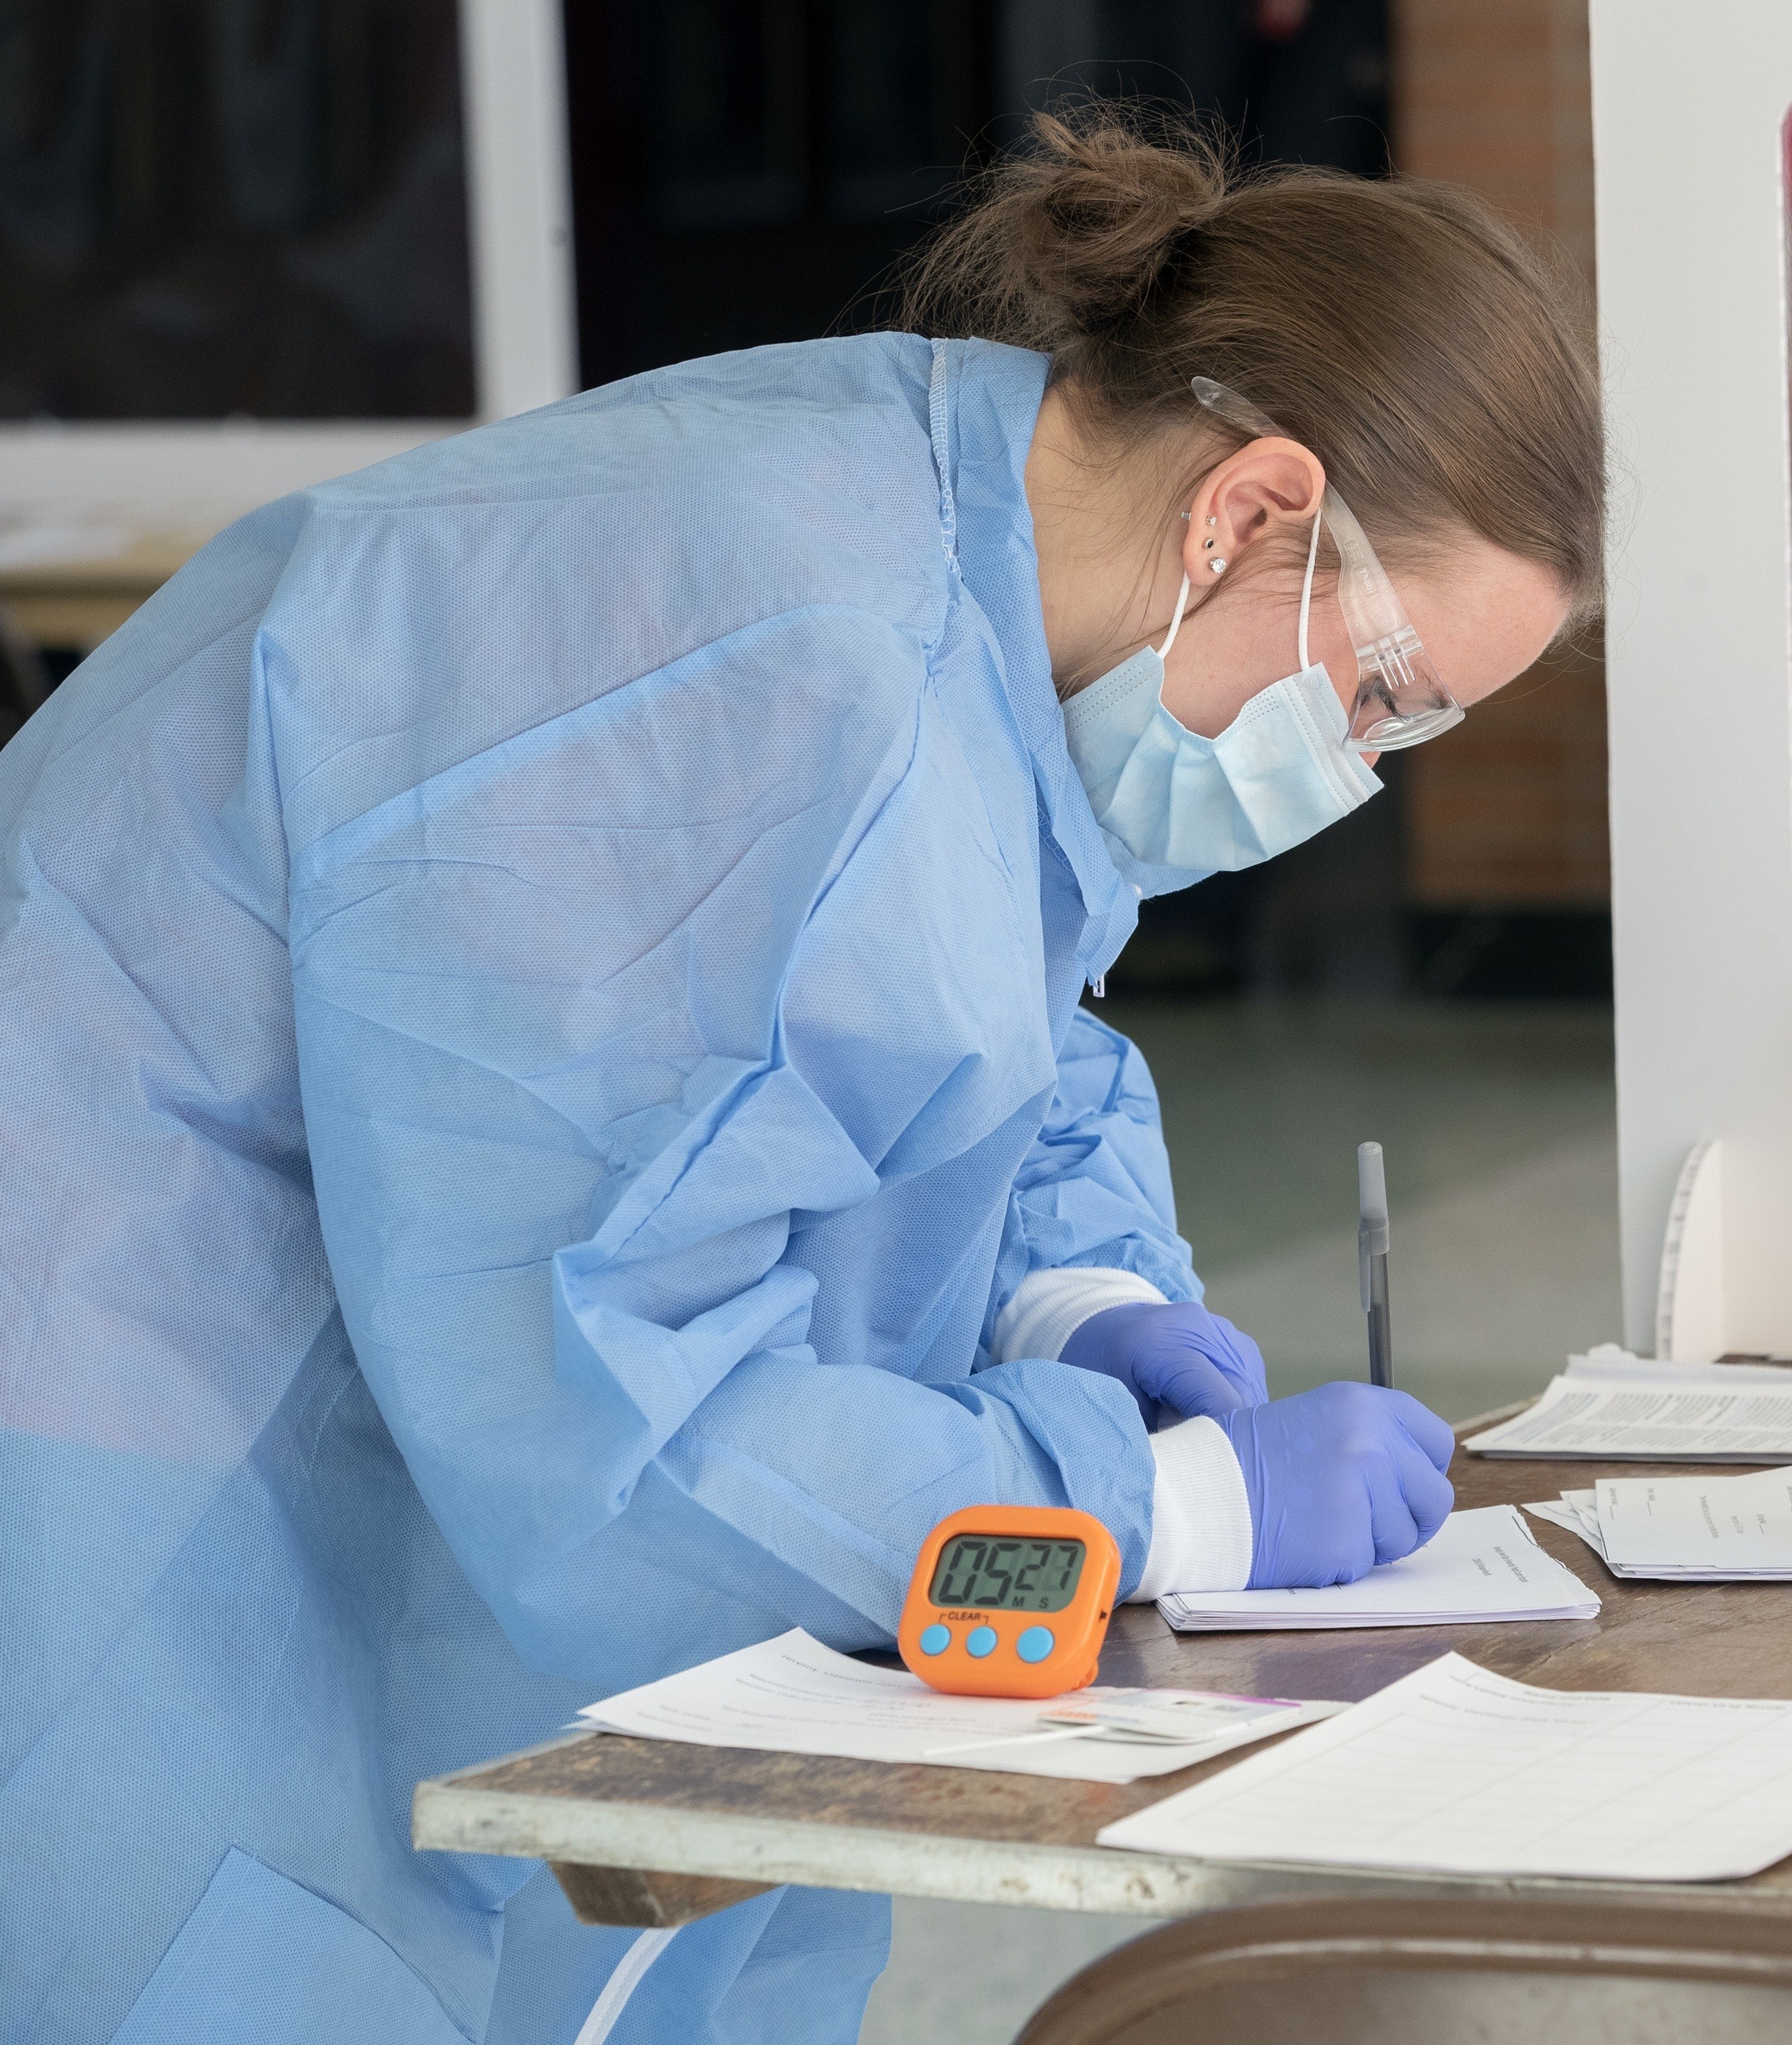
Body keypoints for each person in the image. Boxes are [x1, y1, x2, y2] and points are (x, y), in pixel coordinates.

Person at [0, 106, 1601, 2045]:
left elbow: (957, 998)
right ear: (1250, 509)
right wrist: (1151, 1515)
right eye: (1381, 695)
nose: (1352, 768)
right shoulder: (783, 651)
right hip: (137, 1428)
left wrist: (1071, 1286)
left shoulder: (970, 514)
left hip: (368, 1357)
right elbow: (618, 1414)